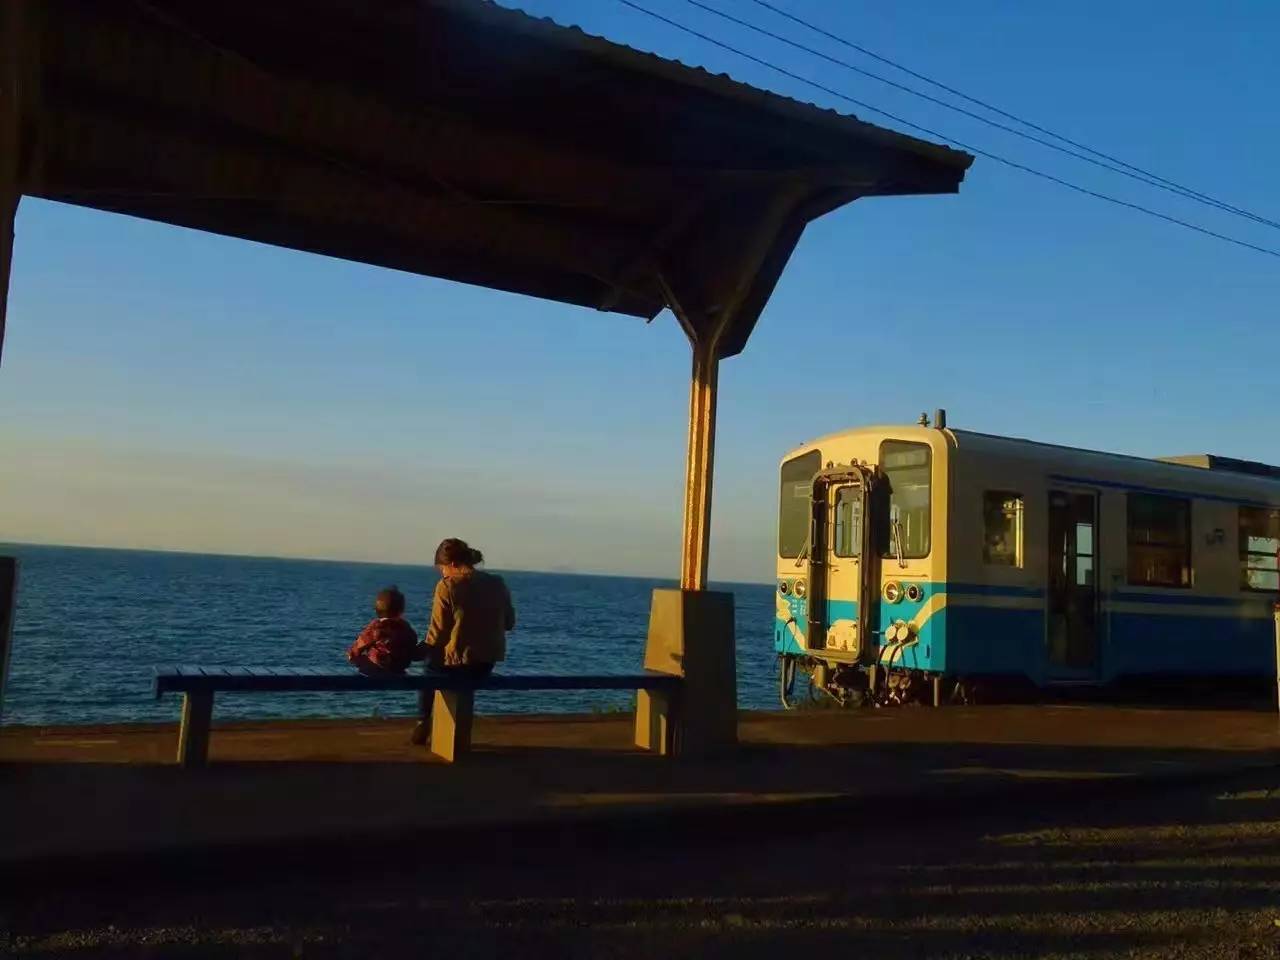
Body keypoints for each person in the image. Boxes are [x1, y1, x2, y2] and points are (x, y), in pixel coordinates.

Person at [410, 538, 515, 745]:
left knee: (429, 669)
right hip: (486, 663)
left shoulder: (447, 586)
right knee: (438, 664)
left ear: (452, 564)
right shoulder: (497, 583)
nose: (443, 574)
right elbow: (509, 623)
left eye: (442, 569)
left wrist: (412, 652)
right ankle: (428, 723)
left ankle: (422, 720)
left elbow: (437, 635)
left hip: (459, 666)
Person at [346, 586, 418, 676]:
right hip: (400, 666)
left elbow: (362, 643)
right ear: (401, 611)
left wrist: (352, 654)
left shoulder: (376, 628)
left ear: (376, 610)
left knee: (362, 658)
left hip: (377, 666)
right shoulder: (405, 628)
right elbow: (413, 640)